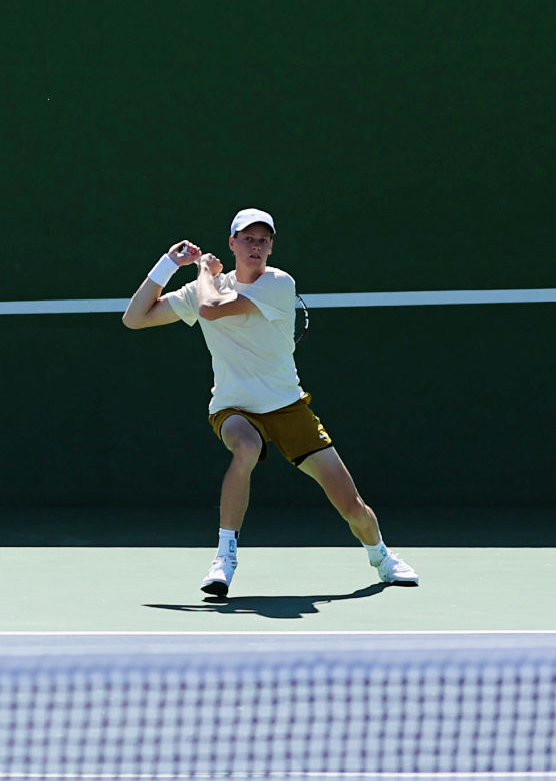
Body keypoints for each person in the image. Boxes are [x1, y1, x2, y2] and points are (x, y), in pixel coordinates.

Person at [120, 207, 418, 598]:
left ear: (271, 247)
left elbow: (211, 309)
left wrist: (203, 273)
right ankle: (224, 558)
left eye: (263, 240)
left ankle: (381, 556)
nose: (255, 246)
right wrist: (167, 264)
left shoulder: (278, 284)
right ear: (233, 243)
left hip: (288, 408)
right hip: (233, 408)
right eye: (248, 238)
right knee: (245, 446)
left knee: (351, 505)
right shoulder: (203, 287)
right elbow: (135, 318)